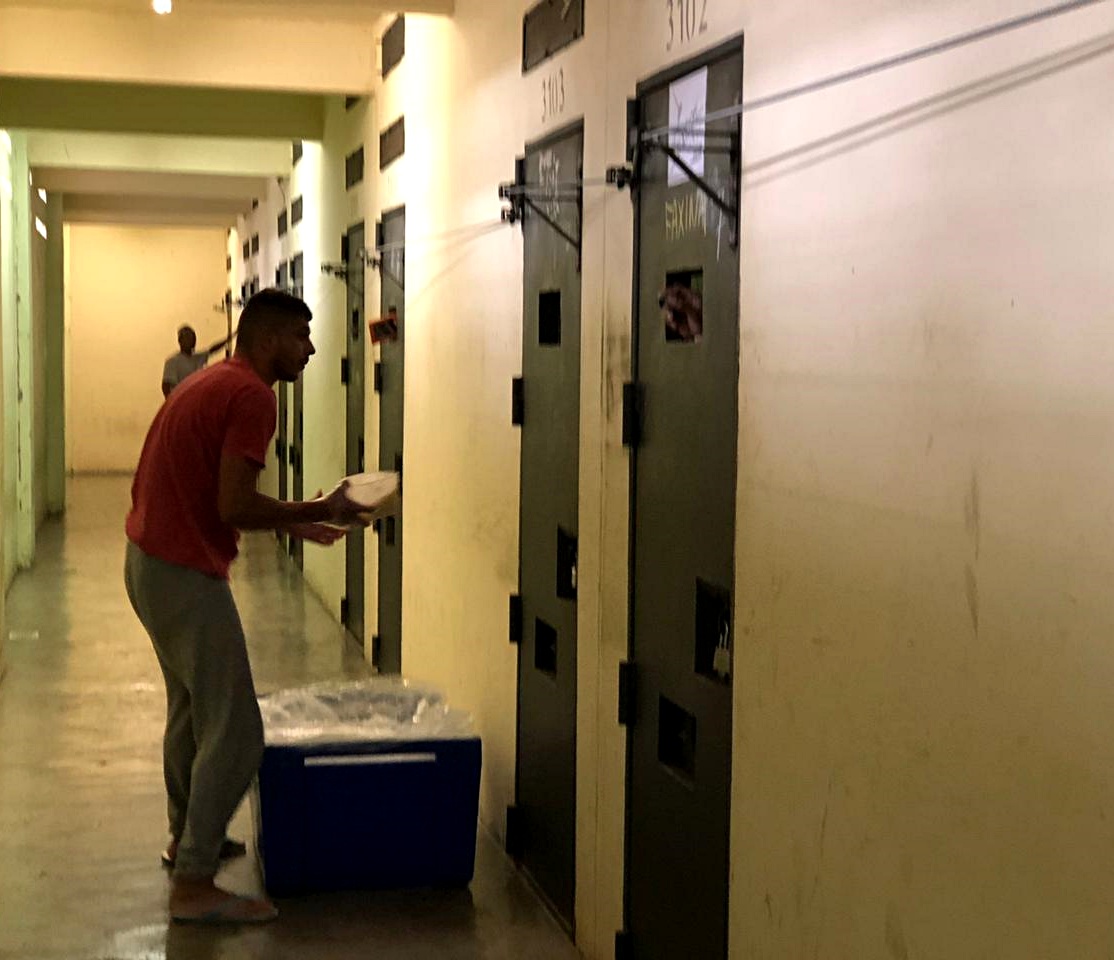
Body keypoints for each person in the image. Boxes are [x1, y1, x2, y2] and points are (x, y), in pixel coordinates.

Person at [124, 289, 378, 925]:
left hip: (150, 561)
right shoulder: (252, 396)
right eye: (301, 335)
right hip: (180, 572)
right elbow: (234, 505)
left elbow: (220, 498)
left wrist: (296, 523)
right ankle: (194, 883)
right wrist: (321, 509)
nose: (312, 348)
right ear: (266, 340)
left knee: (191, 711)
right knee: (237, 732)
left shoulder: (215, 382)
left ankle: (187, 839)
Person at [161, 324, 232, 398]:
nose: (190, 341)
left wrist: (230, 338)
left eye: (192, 338)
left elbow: (213, 349)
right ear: (180, 340)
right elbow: (166, 387)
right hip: (181, 400)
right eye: (187, 338)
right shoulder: (172, 361)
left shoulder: (198, 358)